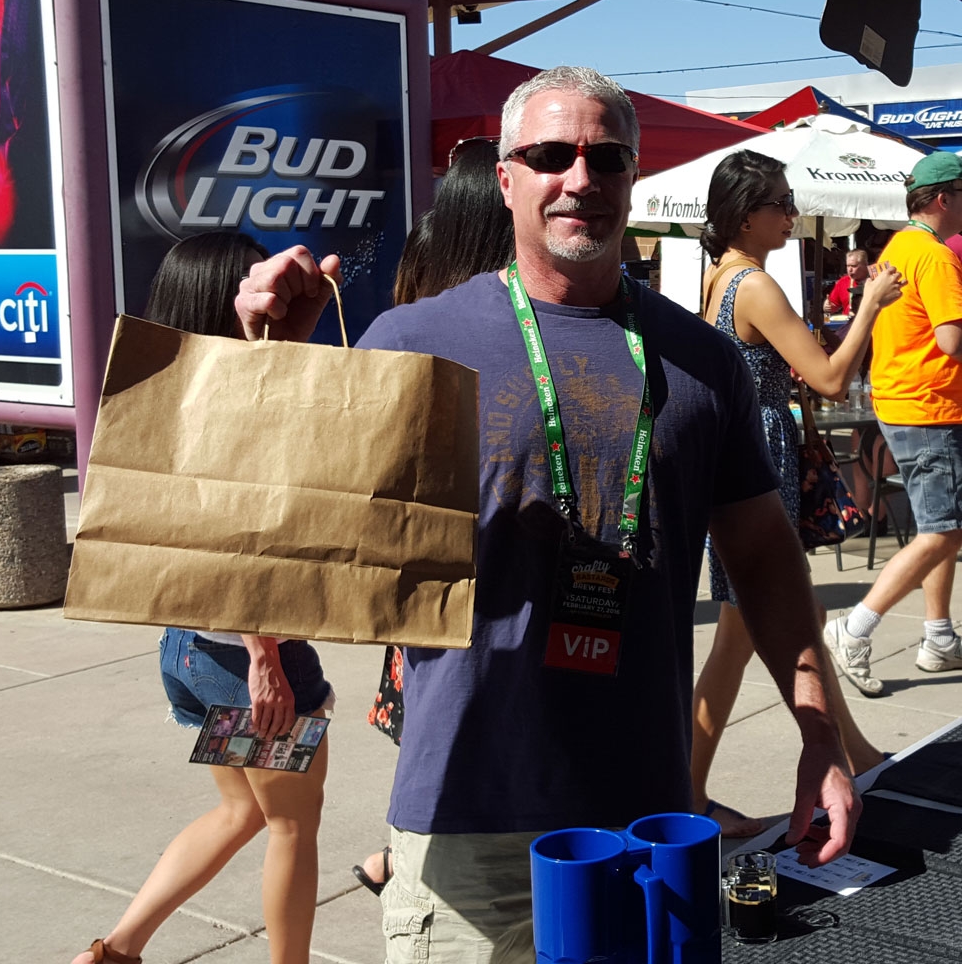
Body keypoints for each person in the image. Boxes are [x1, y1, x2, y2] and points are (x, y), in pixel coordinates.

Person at [235, 67, 860, 963]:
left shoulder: (703, 360)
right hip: (466, 829)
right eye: (550, 155)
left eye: (606, 158)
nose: (580, 178)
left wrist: (819, 731)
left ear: (634, 174)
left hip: (647, 824)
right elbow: (278, 533)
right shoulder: (412, 344)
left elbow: (762, 554)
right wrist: (270, 365)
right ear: (506, 179)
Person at [72, 231, 333, 964]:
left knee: (241, 811)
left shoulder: (166, 398)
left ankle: (115, 951)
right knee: (292, 827)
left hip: (187, 649)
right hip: (250, 660)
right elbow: (240, 544)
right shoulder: (242, 407)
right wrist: (266, 658)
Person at [693, 150, 903, 837]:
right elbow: (831, 378)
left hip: (742, 458)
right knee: (748, 630)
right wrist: (869, 304)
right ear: (743, 215)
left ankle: (854, 753)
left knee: (775, 621)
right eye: (779, 203)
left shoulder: (720, 277)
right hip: (758, 462)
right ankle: (685, 789)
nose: (791, 214)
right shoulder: (754, 284)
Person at [353, 137, 515, 896]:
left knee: (433, 710)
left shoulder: (422, 276)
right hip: (491, 549)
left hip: (427, 550)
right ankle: (406, 851)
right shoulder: (512, 312)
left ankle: (401, 849)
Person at [825, 151, 962, 696]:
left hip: (906, 404)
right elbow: (952, 340)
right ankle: (854, 629)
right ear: (944, 199)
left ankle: (939, 637)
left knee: (942, 526)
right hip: (930, 408)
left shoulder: (899, 247)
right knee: (941, 532)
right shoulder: (934, 255)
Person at [824, 248, 870, 316]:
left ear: (865, 265)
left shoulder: (875, 281)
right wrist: (828, 306)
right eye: (848, 266)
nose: (850, 270)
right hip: (848, 320)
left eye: (854, 266)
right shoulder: (843, 282)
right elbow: (833, 305)